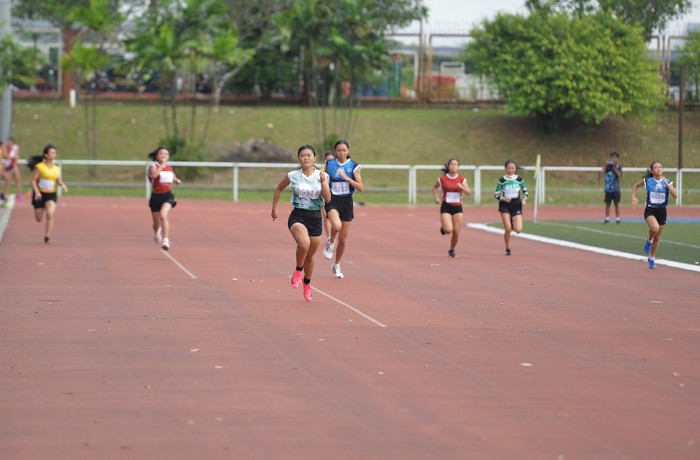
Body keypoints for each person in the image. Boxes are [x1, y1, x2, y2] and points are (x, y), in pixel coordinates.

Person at [271, 144, 331, 301]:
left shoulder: (322, 175)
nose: (306, 158)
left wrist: (324, 182)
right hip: (298, 216)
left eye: (309, 155)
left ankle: (307, 283)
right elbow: (278, 189)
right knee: (304, 244)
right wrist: (274, 209)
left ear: (314, 158)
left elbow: (328, 198)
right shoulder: (293, 175)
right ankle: (298, 270)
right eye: (303, 155)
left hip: (315, 218)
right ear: (299, 158)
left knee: (311, 256)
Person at [321, 139, 364, 279]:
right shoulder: (329, 164)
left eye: (344, 150)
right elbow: (321, 176)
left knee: (344, 239)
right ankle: (330, 242)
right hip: (333, 200)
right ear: (335, 151)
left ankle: (337, 265)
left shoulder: (354, 166)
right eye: (339, 150)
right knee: (336, 225)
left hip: (347, 201)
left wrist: (347, 178)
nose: (341, 152)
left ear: (348, 151)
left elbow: (361, 187)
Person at [631, 161, 678, 269]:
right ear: (652, 171)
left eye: (660, 167)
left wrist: (668, 185)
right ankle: (649, 240)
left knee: (657, 237)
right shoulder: (648, 181)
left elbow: (675, 196)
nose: (658, 169)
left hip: (662, 211)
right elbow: (636, 186)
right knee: (654, 228)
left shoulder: (668, 182)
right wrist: (633, 196)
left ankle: (652, 258)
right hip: (650, 210)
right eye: (656, 168)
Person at [29, 144, 68, 243]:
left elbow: (58, 181)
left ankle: (47, 236)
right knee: (38, 219)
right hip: (40, 194)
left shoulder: (56, 168)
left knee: (50, 213)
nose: (54, 154)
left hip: (51, 194)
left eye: (55, 153)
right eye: (52, 152)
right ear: (46, 155)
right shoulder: (40, 167)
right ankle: (42, 207)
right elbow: (33, 180)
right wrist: (37, 192)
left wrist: (63, 185)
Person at [432, 158, 471, 257]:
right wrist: (436, 197)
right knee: (449, 229)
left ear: (458, 167)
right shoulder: (442, 179)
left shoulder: (462, 179)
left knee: (456, 232)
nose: (454, 166)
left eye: (456, 164)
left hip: (457, 207)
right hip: (446, 206)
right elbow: (434, 187)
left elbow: (468, 192)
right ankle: (444, 228)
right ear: (448, 166)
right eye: (452, 164)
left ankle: (452, 249)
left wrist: (461, 187)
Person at [147, 146, 182, 250]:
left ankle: (166, 240)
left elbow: (174, 178)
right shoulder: (153, 166)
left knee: (163, 215)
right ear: (157, 156)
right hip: (156, 196)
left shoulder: (170, 168)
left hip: (167, 195)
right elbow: (154, 176)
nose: (163, 155)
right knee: (156, 224)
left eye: (166, 154)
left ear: (168, 157)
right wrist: (162, 165)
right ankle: (157, 232)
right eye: (161, 154)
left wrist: (177, 181)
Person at [494, 159, 528, 256]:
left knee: (518, 230)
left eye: (513, 168)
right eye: (509, 168)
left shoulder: (519, 179)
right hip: (505, 205)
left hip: (516, 204)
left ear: (515, 169)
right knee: (508, 228)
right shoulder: (502, 180)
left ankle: (514, 221)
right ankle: (508, 248)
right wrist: (503, 198)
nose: (511, 170)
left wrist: (524, 199)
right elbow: (496, 195)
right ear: (505, 169)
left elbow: (525, 192)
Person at [603, 150, 623, 223]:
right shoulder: (608, 166)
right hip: (608, 189)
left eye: (615, 158)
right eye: (612, 157)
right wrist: (605, 165)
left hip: (616, 189)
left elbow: (619, 175)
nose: (613, 159)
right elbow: (602, 174)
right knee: (608, 204)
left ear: (617, 159)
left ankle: (617, 218)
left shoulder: (618, 166)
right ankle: (607, 218)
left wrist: (614, 167)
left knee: (616, 204)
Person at [321, 151, 336, 242]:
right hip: (325, 196)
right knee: (326, 217)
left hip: (337, 198)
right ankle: (329, 238)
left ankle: (333, 235)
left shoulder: (339, 170)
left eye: (331, 160)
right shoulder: (321, 171)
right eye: (327, 160)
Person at [3, 137, 23, 203]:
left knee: (17, 180)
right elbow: (6, 156)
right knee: (7, 181)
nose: (9, 143)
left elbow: (17, 156)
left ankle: (19, 193)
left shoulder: (15, 147)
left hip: (14, 166)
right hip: (8, 167)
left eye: (10, 142)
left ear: (13, 142)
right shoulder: (6, 148)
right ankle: (6, 194)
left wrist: (12, 157)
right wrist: (12, 157)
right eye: (8, 142)